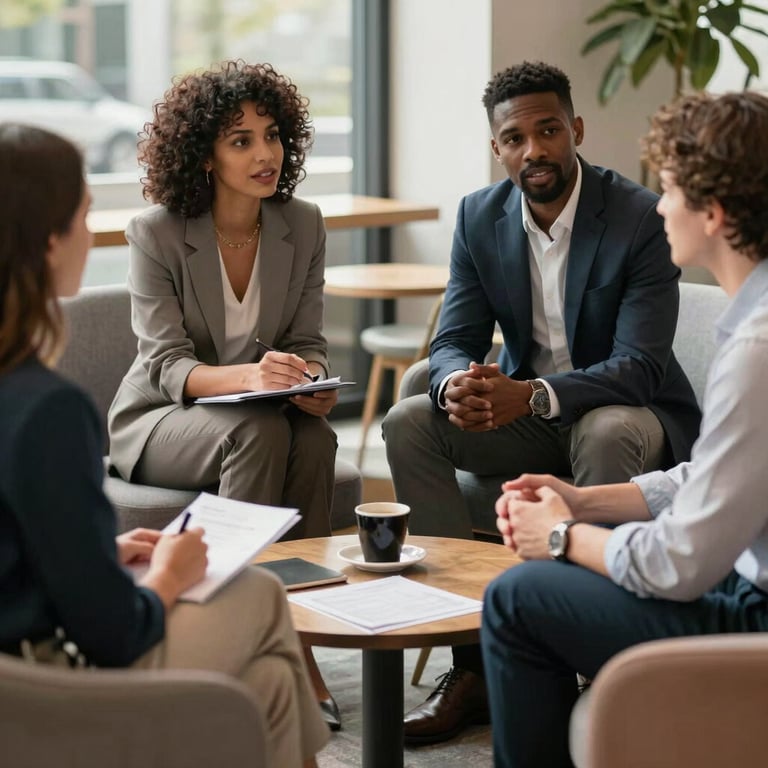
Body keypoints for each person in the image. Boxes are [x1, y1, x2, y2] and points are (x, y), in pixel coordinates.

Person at [382, 60, 701, 745]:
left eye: (548, 130)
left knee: (609, 429)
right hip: (530, 418)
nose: (535, 150)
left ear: (575, 129)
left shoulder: (638, 216)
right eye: (515, 138)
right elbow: (453, 338)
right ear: (498, 147)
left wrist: (533, 394)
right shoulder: (478, 216)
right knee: (411, 419)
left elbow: (640, 366)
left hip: (628, 416)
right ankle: (472, 666)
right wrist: (454, 385)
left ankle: (603, 666)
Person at [0, 122, 328, 768]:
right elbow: (115, 633)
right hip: (43, 685)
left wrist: (100, 553)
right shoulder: (49, 411)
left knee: (265, 687)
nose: (90, 236)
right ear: (49, 241)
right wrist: (171, 576)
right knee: (260, 598)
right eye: (84, 217)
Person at [481, 89, 768, 768]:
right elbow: (721, 475)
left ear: (715, 213)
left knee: (516, 597)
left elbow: (679, 565)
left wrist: (558, 535)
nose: (659, 204)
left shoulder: (757, 348)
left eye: (669, 189)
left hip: (753, 615)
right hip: (742, 577)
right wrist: (586, 502)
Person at [106, 60, 341, 728]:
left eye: (272, 135)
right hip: (159, 419)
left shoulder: (305, 224)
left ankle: (303, 638)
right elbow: (165, 364)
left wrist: (310, 380)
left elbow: (307, 337)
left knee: (315, 436)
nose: (265, 153)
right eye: (241, 141)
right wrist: (253, 379)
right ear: (203, 155)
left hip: (259, 410)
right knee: (260, 430)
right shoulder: (155, 232)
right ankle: (223, 637)